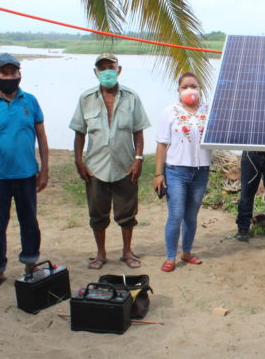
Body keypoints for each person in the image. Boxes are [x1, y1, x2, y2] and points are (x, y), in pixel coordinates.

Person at [0, 53, 49, 292]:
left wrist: (44, 169)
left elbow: (42, 136)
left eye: (14, 72)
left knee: (29, 223)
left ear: (19, 74)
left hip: (26, 176)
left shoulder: (30, 101)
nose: (10, 77)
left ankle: (30, 265)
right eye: (5, 73)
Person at [69, 53, 149, 270]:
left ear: (118, 70)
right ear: (96, 72)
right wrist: (79, 161)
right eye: (102, 68)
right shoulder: (86, 99)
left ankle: (126, 252)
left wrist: (138, 159)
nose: (106, 72)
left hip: (125, 166)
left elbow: (138, 132)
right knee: (97, 214)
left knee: (127, 213)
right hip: (95, 168)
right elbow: (79, 133)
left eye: (110, 67)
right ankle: (101, 254)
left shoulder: (131, 97)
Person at [152, 73, 211, 272]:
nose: (189, 90)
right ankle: (170, 257)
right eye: (185, 86)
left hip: (201, 171)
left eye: (193, 85)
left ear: (200, 88)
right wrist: (158, 174)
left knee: (191, 216)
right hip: (176, 171)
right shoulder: (170, 112)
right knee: (176, 215)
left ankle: (186, 252)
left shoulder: (209, 111)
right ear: (178, 90)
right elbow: (161, 145)